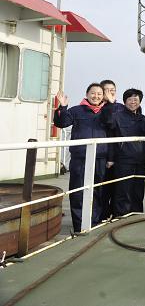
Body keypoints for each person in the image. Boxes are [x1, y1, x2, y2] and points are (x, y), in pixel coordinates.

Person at [53, 84, 108, 232]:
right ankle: (79, 225)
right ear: (87, 94)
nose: (96, 96)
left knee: (98, 191)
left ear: (103, 96)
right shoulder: (77, 110)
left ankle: (94, 222)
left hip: (99, 158)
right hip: (80, 158)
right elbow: (62, 123)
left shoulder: (106, 112)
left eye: (99, 94)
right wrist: (63, 107)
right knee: (78, 191)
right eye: (93, 93)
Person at [101, 88, 145, 216]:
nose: (133, 102)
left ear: (140, 102)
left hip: (140, 161)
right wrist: (110, 104)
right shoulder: (117, 116)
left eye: (136, 100)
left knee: (138, 192)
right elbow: (107, 122)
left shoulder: (143, 118)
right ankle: (121, 217)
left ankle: (136, 217)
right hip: (123, 160)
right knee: (123, 191)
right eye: (130, 99)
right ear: (124, 101)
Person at [99, 79, 122, 220]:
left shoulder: (120, 107)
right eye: (106, 90)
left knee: (117, 188)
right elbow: (109, 123)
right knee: (103, 189)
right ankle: (102, 215)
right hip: (103, 154)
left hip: (118, 154)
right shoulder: (98, 108)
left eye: (112, 90)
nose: (110, 92)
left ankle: (115, 215)